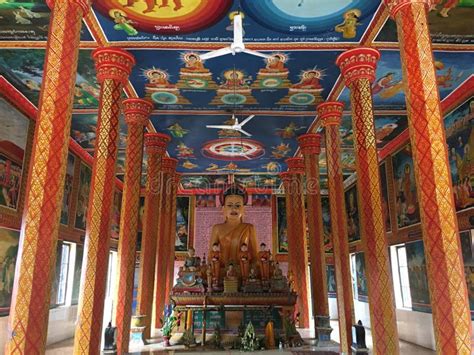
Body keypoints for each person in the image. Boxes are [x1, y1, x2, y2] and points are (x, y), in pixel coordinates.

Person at [209, 185, 258, 267]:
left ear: (243, 209)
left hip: (243, 269)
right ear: (223, 209)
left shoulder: (249, 228)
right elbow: (211, 254)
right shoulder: (217, 228)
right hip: (223, 269)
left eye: (238, 206)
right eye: (229, 205)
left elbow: (255, 256)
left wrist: (253, 269)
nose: (234, 209)